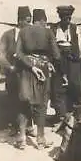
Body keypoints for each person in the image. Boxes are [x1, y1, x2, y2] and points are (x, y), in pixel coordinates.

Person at [14, 9, 62, 150]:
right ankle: (40, 139)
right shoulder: (48, 32)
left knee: (24, 102)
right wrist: (50, 62)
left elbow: (18, 53)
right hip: (43, 68)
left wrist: (30, 65)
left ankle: (22, 138)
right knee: (41, 104)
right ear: (43, 20)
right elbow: (57, 55)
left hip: (26, 69)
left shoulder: (23, 32)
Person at [0, 6, 36, 137]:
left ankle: (29, 126)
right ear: (20, 21)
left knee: (27, 100)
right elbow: (0, 53)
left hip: (27, 74)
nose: (29, 24)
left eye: (30, 21)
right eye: (27, 21)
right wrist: (9, 67)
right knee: (13, 99)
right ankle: (14, 126)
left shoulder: (31, 35)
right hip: (12, 74)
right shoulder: (8, 35)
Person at [50, 5, 81, 122]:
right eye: (65, 18)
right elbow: (51, 44)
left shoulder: (75, 28)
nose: (68, 21)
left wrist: (79, 56)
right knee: (58, 86)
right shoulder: (54, 28)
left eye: (69, 18)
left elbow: (79, 43)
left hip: (73, 59)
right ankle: (60, 114)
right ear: (61, 17)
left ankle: (76, 113)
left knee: (75, 84)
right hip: (58, 59)